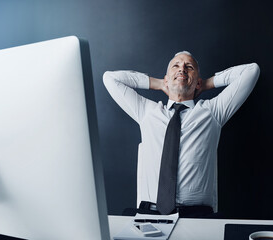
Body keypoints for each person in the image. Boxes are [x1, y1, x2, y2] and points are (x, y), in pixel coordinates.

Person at [103, 51, 260, 218]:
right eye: (176, 66)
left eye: (189, 67)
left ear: (198, 82)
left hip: (197, 217)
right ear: (166, 79)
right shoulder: (147, 112)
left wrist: (207, 83)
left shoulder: (212, 112)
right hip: (149, 215)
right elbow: (110, 78)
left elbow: (251, 71)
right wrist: (159, 83)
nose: (182, 69)